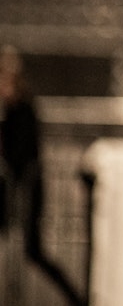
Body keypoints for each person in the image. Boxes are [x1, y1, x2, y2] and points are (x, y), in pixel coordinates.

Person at [1, 47, 86, 306]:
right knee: (28, 252)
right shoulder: (11, 110)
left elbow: (21, 155)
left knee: (33, 251)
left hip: (25, 191)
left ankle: (77, 299)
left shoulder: (22, 110)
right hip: (15, 191)